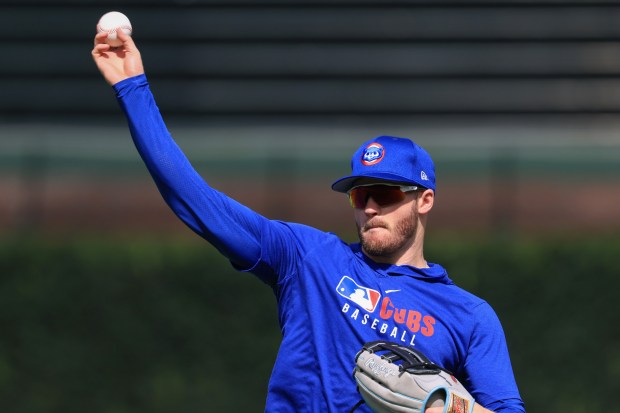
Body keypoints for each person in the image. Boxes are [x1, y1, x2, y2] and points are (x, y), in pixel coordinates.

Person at [92, 29, 525, 413]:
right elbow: (197, 201)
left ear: (424, 200)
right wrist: (133, 88)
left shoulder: (470, 316)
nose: (370, 207)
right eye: (360, 194)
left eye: (386, 193)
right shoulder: (309, 259)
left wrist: (453, 410)